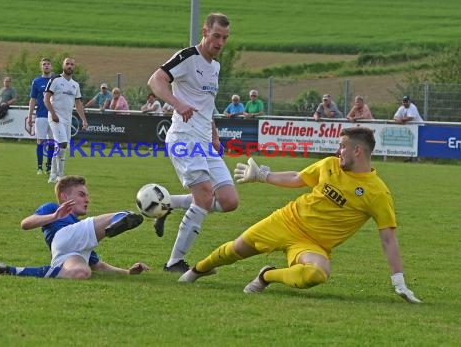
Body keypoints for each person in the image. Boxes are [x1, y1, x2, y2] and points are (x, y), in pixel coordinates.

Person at [179, 127, 422, 304]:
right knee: (234, 251)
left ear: (358, 151)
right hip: (286, 221)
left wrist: (398, 280)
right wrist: (263, 175)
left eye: (343, 146)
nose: (338, 151)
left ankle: (266, 276)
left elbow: (388, 238)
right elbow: (298, 178)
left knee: (317, 274)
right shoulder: (329, 165)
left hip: (312, 245)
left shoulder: (378, 192)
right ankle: (197, 271)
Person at [147, 12, 239, 273]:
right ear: (205, 32)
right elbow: (156, 80)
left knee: (229, 200)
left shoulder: (216, 67)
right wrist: (177, 103)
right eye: (216, 36)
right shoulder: (188, 57)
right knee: (204, 197)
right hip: (184, 138)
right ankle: (174, 262)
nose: (220, 43)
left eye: (225, 38)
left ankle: (167, 205)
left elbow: (206, 105)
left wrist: (214, 135)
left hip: (204, 141)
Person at [0, 175, 149, 279]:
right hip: (62, 237)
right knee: (126, 216)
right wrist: (55, 216)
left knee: (81, 273)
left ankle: (9, 270)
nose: (87, 200)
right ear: (64, 197)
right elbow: (25, 224)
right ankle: (122, 216)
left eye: (87, 196)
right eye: (81, 194)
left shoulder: (80, 228)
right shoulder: (53, 208)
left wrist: (127, 272)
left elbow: (98, 265)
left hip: (66, 255)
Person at [44, 57, 88, 183]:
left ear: (74, 67)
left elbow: (78, 103)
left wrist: (84, 120)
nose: (69, 66)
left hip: (67, 119)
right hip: (56, 117)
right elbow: (46, 98)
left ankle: (53, 174)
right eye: (67, 64)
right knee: (62, 143)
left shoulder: (75, 85)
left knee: (63, 147)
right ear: (63, 66)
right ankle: (60, 175)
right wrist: (53, 113)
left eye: (72, 64)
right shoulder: (55, 80)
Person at [28, 58, 55, 175]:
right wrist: (30, 115)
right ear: (41, 67)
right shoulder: (37, 82)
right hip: (41, 116)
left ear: (51, 67)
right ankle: (39, 167)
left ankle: (49, 167)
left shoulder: (56, 81)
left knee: (52, 142)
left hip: (54, 116)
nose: (46, 66)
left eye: (48, 64)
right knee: (40, 141)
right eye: (44, 64)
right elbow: (33, 99)